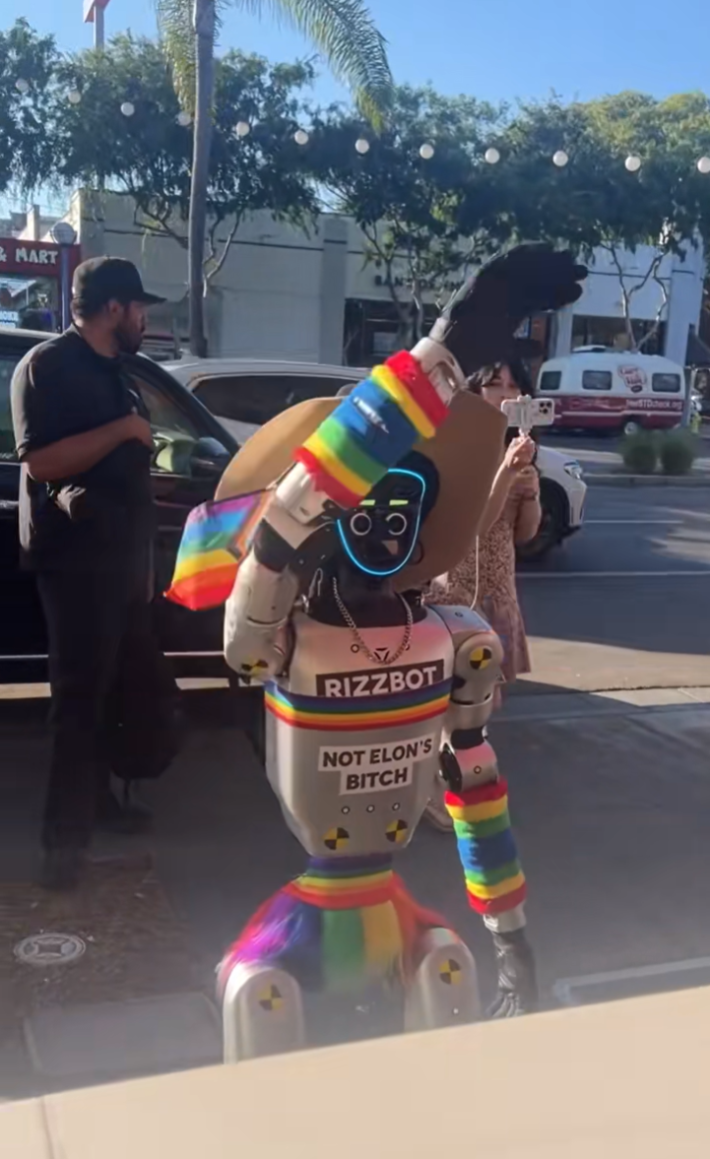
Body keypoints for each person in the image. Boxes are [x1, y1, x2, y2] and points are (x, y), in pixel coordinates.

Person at [165, 244, 586, 1047]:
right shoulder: (278, 630)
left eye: (405, 510)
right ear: (333, 521)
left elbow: (477, 790)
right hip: (299, 926)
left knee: (445, 980)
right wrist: (445, 353)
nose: (386, 526)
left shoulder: (454, 639)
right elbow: (296, 508)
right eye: (365, 511)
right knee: (260, 997)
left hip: (401, 912)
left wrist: (511, 937)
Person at [11, 256, 178, 890]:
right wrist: (125, 429)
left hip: (122, 561)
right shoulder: (47, 367)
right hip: (76, 566)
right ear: (114, 308)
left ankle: (102, 803)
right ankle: (63, 852)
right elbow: (42, 463)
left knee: (137, 694)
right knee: (79, 704)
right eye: (139, 309)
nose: (143, 319)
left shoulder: (119, 371)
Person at [423, 359, 541, 831]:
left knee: (482, 706)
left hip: (498, 593)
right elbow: (474, 525)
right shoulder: (462, 453)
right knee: (452, 705)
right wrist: (506, 476)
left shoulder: (521, 452)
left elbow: (523, 535)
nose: (506, 394)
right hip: (456, 594)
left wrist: (529, 492)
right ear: (475, 395)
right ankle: (440, 791)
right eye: (494, 385)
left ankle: (457, 784)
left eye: (514, 386)